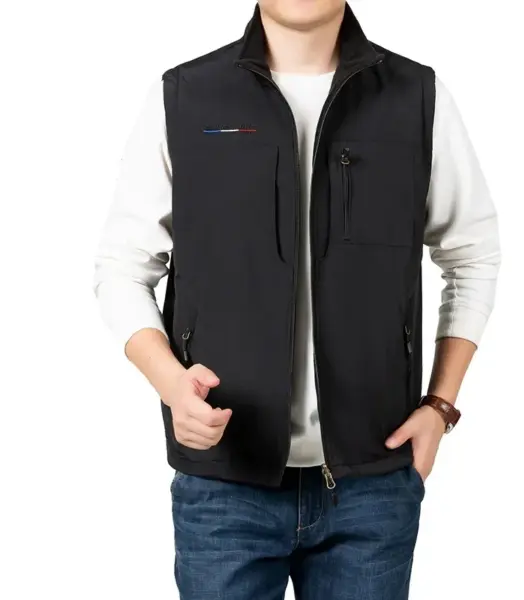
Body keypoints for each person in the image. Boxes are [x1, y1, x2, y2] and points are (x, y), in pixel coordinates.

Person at [93, 1, 501, 598]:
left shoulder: (415, 96)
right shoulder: (187, 96)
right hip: (225, 482)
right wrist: (171, 384)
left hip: (372, 484)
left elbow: (472, 255)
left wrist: (440, 407)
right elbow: (123, 267)